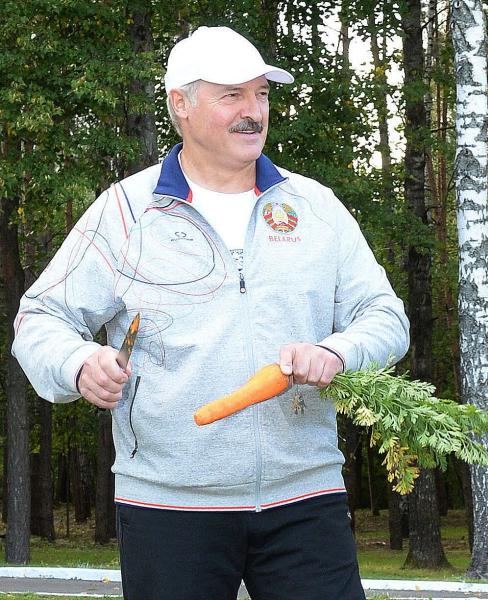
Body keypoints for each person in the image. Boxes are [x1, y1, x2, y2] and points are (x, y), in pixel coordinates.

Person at [12, 26, 409, 600]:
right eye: (232, 96)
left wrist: (336, 351)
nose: (254, 112)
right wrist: (78, 363)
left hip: (306, 498)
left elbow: (385, 315)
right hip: (169, 503)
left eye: (263, 95)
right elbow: (39, 317)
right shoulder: (127, 212)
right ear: (181, 105)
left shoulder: (314, 206)